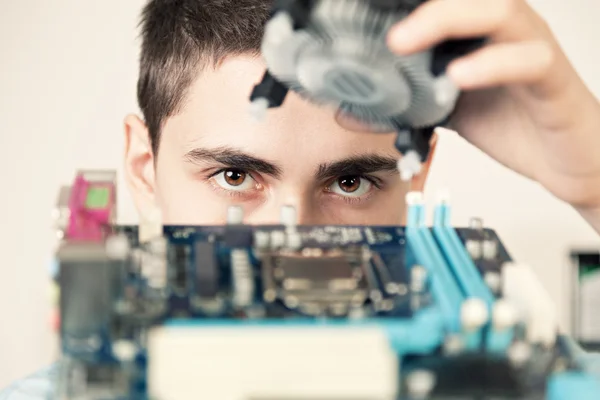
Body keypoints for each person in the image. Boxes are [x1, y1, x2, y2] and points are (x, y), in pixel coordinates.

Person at [2, 0, 600, 398]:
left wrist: (593, 182)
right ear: (143, 168)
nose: (294, 237)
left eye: (350, 183)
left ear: (415, 175)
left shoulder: (522, 370)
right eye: (235, 177)